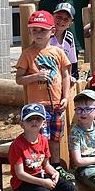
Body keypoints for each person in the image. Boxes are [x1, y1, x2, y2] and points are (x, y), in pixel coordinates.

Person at [15, 10, 72, 181]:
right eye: (35, 30)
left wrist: (66, 96)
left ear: (52, 31)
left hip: (56, 103)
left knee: (55, 137)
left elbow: (65, 75)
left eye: (42, 30)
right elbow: (19, 79)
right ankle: (41, 167)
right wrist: (35, 77)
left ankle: (56, 166)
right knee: (42, 138)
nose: (38, 34)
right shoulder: (27, 53)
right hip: (38, 106)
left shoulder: (58, 52)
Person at [50, 3, 79, 80]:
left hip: (64, 75)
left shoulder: (69, 37)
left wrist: (73, 76)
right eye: (59, 17)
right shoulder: (46, 35)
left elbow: (72, 59)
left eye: (66, 19)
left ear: (70, 24)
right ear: (52, 17)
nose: (62, 21)